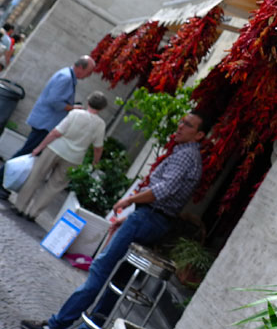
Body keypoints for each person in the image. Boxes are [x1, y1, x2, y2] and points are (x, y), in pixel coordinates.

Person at [21, 111, 208, 329]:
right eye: (182, 121)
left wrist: (129, 201)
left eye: (188, 125)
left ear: (200, 135)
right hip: (152, 219)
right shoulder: (189, 154)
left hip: (149, 217)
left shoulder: (186, 155)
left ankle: (55, 325)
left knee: (101, 268)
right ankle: (88, 327)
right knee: (117, 279)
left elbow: (162, 190)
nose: (180, 126)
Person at [0, 55, 96, 199]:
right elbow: (54, 101)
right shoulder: (66, 78)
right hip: (45, 123)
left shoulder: (67, 76)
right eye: (89, 71)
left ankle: (4, 181)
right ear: (81, 68)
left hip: (45, 122)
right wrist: (72, 107)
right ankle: (2, 180)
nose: (89, 75)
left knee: (27, 152)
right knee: (26, 153)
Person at [13, 91, 108, 222]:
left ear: (88, 101)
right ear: (102, 108)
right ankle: (33, 213)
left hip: (55, 148)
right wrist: (95, 163)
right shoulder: (100, 124)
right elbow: (98, 147)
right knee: (54, 187)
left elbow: (56, 132)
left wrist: (39, 148)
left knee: (36, 176)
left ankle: (20, 206)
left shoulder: (75, 113)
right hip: (74, 158)